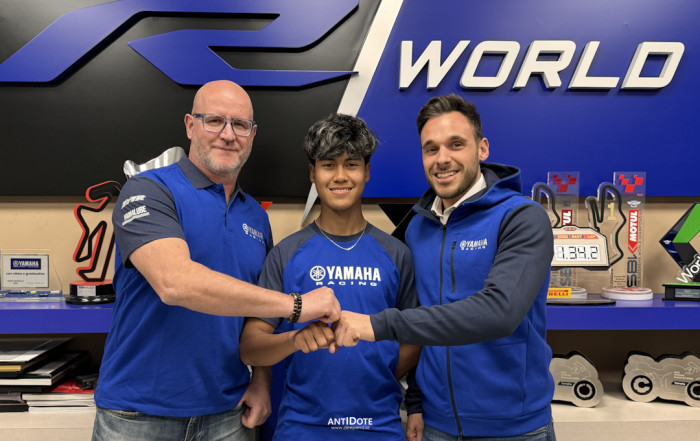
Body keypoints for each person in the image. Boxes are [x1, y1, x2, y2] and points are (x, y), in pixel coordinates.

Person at [92, 80, 340, 441]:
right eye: (214, 121)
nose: (228, 135)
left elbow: (257, 316)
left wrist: (261, 379)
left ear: (252, 135)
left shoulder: (256, 217)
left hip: (227, 414)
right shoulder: (150, 190)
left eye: (239, 125)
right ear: (190, 125)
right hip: (138, 414)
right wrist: (296, 305)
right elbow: (174, 282)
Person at [333, 94, 556, 441]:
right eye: (431, 149)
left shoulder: (522, 218)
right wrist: (416, 401)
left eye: (456, 144)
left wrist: (378, 325)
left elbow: (499, 312)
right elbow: (421, 317)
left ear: (482, 148)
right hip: (437, 426)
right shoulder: (418, 228)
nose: (442, 159)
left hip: (514, 428)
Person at [239, 113, 421, 440]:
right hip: (302, 429)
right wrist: (294, 340)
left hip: (379, 427)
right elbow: (251, 346)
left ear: (367, 171)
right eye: (328, 165)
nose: (340, 176)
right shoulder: (285, 254)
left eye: (351, 164)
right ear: (312, 173)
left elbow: (414, 337)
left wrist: (375, 373)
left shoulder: (397, 254)